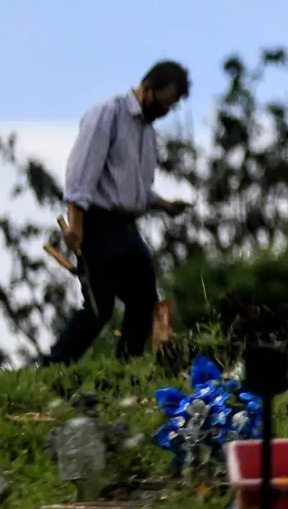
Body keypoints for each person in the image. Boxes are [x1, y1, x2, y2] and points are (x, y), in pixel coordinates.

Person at [40, 60, 194, 366]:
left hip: (125, 227)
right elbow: (82, 173)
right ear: (148, 88)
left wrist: (164, 205)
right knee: (100, 307)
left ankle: (127, 366)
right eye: (164, 103)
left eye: (171, 107)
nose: (165, 112)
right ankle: (52, 368)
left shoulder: (147, 133)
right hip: (96, 223)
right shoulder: (108, 114)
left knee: (144, 300)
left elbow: (133, 189)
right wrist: (75, 226)